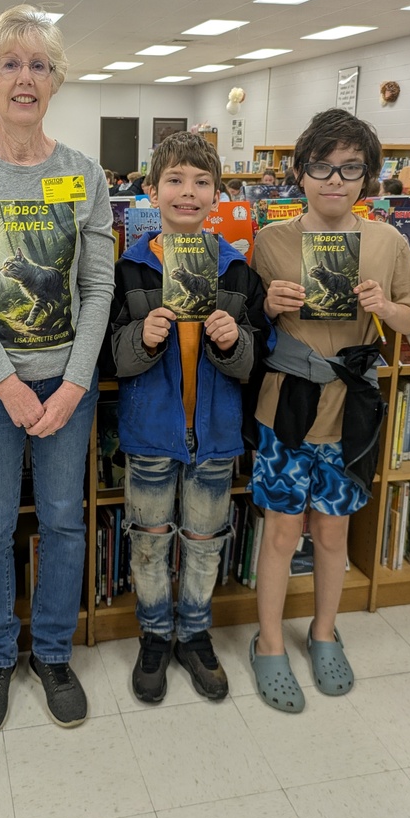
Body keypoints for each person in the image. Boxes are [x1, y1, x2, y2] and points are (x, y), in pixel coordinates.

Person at [0, 4, 114, 734]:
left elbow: (96, 288)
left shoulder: (83, 174)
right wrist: (4, 381)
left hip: (67, 381)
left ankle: (54, 654)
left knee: (66, 523)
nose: (25, 78)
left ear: (56, 79)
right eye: (10, 64)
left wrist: (72, 384)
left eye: (38, 64)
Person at [248, 108, 410, 713]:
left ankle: (324, 632)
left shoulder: (387, 241)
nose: (335, 179)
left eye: (351, 168)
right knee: (279, 531)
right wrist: (269, 303)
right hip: (286, 407)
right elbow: (249, 324)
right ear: (300, 173)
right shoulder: (270, 241)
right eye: (322, 166)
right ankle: (270, 640)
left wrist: (386, 307)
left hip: (350, 409)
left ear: (368, 177)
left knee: (331, 530)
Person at [109, 131, 272, 704]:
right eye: (175, 180)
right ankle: (155, 636)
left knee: (205, 541)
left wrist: (231, 343)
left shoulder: (236, 272)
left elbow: (253, 361)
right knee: (149, 540)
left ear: (217, 193)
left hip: (216, 437)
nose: (188, 192)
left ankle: (195, 633)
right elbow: (114, 357)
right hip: (151, 434)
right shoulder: (128, 270)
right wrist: (142, 336)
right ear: (151, 191)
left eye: (202, 182)